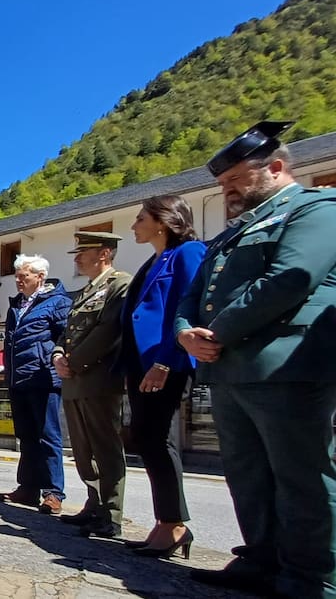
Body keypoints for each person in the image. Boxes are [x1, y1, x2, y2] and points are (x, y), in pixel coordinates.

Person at [175, 121, 336, 597]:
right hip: (228, 370)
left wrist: (216, 331)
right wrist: (186, 333)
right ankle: (261, 559)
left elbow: (292, 276)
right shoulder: (228, 236)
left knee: (300, 474)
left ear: (277, 167)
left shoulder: (316, 210)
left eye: (234, 181)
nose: (226, 191)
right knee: (247, 473)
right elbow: (191, 297)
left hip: (284, 365)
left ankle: (313, 578)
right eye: (222, 185)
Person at [120, 195, 205, 557]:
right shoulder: (149, 262)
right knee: (145, 437)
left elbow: (189, 307)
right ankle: (164, 521)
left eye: (140, 218)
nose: (134, 225)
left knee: (158, 438)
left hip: (165, 360)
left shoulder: (187, 253)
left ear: (162, 221)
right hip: (140, 362)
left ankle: (174, 524)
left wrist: (167, 360)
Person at [51, 232, 131, 538]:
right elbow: (65, 335)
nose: (76, 258)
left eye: (83, 252)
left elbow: (109, 330)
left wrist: (74, 362)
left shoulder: (119, 284)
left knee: (105, 448)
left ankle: (111, 515)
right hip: (74, 381)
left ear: (104, 254)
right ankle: (93, 504)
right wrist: (58, 355)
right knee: (83, 450)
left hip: (99, 379)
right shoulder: (84, 291)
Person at [0, 254, 71, 515]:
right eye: (16, 275)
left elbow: (66, 335)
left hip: (43, 378)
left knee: (48, 436)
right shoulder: (15, 306)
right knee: (26, 436)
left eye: (23, 276)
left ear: (39, 277)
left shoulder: (58, 302)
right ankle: (28, 488)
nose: (18, 280)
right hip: (19, 379)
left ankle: (53, 492)